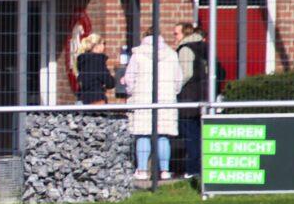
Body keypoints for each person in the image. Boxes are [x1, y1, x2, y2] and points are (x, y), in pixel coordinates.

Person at [124, 29, 184, 180]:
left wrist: (132, 92)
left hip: (143, 99)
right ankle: (164, 171)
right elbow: (178, 79)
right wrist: (172, 92)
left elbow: (129, 79)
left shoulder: (137, 55)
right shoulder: (171, 54)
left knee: (143, 134)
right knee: (163, 136)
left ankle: (142, 170)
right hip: (166, 100)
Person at [174, 22, 207, 178]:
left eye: (177, 33)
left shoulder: (186, 49)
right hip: (204, 97)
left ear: (185, 34)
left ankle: (193, 169)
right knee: (201, 134)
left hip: (189, 99)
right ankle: (202, 167)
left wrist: (174, 88)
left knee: (190, 136)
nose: (175, 37)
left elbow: (184, 74)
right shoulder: (203, 47)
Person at [73, 33, 116, 104]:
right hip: (96, 99)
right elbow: (109, 82)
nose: (104, 46)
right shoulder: (98, 60)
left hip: (82, 99)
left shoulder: (82, 60)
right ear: (97, 46)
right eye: (103, 43)